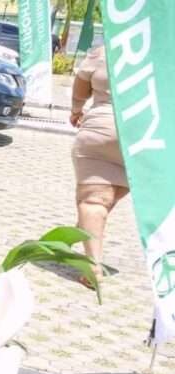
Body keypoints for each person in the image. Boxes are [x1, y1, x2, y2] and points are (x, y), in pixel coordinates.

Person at [70, 46, 127, 286]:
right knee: (102, 199)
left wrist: (76, 110)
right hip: (147, 134)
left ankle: (93, 266)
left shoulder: (106, 49)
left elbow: (82, 84)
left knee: (94, 201)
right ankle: (78, 233)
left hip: (102, 126)